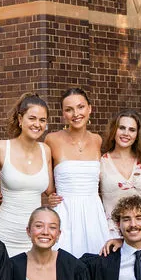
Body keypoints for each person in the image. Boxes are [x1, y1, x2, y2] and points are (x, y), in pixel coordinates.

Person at [45, 88, 111, 256]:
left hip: (93, 213)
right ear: (63, 114)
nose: (76, 114)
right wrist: (50, 195)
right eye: (69, 109)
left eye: (80, 107)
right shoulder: (52, 139)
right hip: (65, 212)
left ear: (90, 108)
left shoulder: (97, 140)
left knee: (96, 264)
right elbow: (45, 180)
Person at [0, 93, 53, 256]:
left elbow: (50, 190)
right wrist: (3, 204)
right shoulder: (2, 148)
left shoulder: (45, 150)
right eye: (32, 118)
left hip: (36, 235)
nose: (37, 124)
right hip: (5, 232)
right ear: (20, 119)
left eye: (42, 120)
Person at [100, 110, 141, 238]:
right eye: (122, 128)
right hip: (110, 232)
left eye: (132, 130)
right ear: (114, 130)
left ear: (137, 134)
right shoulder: (101, 162)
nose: (126, 133)